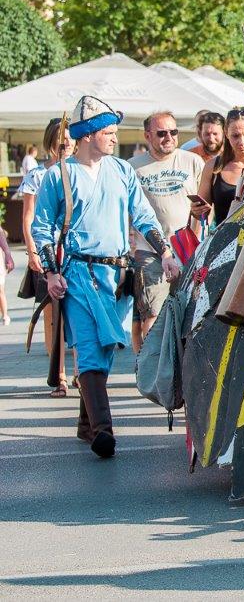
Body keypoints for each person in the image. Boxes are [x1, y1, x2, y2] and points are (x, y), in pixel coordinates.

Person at [31, 95, 182, 458]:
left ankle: (86, 424)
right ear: (87, 135)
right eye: (108, 132)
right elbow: (42, 228)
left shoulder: (122, 171)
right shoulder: (58, 176)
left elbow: (144, 216)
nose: (115, 137)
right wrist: (50, 272)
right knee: (88, 346)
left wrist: (165, 252)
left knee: (106, 347)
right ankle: (103, 431)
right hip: (77, 274)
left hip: (117, 274)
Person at [127, 111, 204, 351]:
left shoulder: (193, 161)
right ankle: (152, 366)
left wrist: (203, 214)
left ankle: (177, 365)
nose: (168, 137)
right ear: (147, 136)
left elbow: (205, 202)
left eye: (173, 131)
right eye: (161, 133)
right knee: (153, 313)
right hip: (148, 250)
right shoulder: (133, 167)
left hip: (188, 249)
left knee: (188, 311)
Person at [19, 118, 76, 394]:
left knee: (79, 313)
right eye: (60, 141)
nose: (65, 145)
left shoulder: (79, 172)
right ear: (50, 142)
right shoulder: (38, 175)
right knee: (52, 315)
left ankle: (81, 372)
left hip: (75, 252)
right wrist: (33, 251)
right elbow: (28, 216)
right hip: (47, 251)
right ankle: (60, 374)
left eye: (69, 140)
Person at [196, 108, 244, 227]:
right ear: (226, 134)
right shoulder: (213, 167)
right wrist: (197, 210)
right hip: (224, 237)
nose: (242, 142)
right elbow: (202, 213)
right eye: (235, 136)